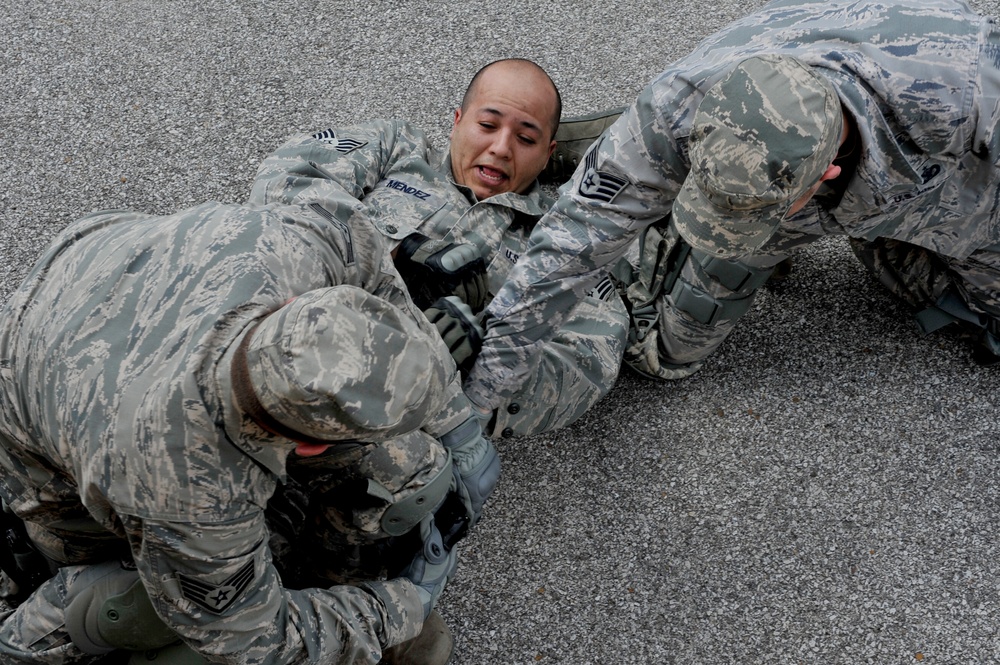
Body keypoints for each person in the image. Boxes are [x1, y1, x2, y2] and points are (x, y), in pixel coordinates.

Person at [0, 189, 500, 663]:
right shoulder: (179, 480)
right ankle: (29, 629)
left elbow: (381, 287)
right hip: (43, 437)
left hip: (105, 294)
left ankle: (321, 596)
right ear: (306, 450)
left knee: (413, 471)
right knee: (123, 606)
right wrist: (401, 607)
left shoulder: (303, 244)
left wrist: (460, 432)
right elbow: (252, 643)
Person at [462, 0, 1000, 412]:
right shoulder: (678, 106)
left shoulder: (970, 86)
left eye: (738, 216)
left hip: (949, 185)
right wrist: (484, 398)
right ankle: (602, 157)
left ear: (828, 173)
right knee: (665, 357)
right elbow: (559, 258)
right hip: (773, 174)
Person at [249, 58, 629, 440]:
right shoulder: (398, 147)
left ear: (548, 154)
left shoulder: (562, 243)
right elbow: (289, 179)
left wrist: (480, 357)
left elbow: (591, 355)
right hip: (284, 331)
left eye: (526, 139)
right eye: (487, 125)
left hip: (400, 420)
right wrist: (396, 253)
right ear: (458, 120)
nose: (500, 148)